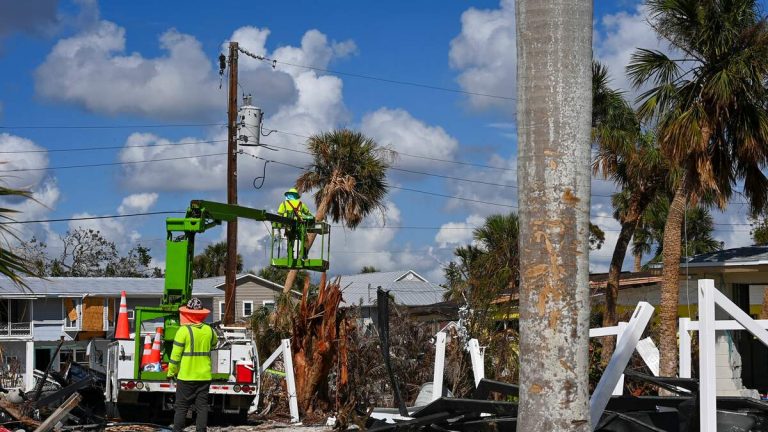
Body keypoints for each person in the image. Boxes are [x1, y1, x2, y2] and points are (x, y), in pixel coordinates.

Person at [167, 298, 218, 432]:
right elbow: (215, 344)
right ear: (201, 314)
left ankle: (177, 430)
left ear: (187, 313)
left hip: (186, 376)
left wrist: (171, 372)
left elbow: (175, 356)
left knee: (182, 407)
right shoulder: (209, 330)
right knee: (202, 407)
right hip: (204, 376)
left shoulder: (183, 331)